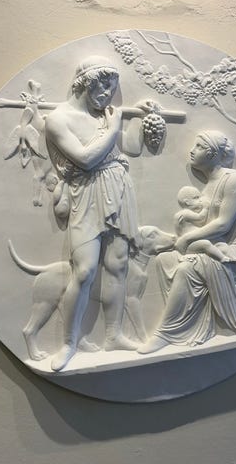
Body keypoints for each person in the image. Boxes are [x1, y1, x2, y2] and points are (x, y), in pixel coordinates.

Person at [138, 130, 236, 354]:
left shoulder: (235, 180)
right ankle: (188, 325)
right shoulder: (209, 185)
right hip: (222, 244)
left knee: (188, 268)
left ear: (212, 154)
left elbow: (223, 225)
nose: (192, 151)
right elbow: (205, 222)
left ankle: (167, 332)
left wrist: (188, 238)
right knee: (165, 259)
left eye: (199, 147)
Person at [45, 56, 139, 371]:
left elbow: (129, 149)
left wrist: (141, 120)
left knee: (118, 265)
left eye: (113, 89)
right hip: (85, 194)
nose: (108, 95)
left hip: (117, 187)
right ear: (86, 82)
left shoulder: (105, 115)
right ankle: (69, 343)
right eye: (103, 87)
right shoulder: (59, 119)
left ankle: (113, 335)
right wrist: (113, 128)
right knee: (84, 271)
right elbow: (85, 159)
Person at [175, 186, 236, 263]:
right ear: (187, 202)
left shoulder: (183, 214)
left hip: (192, 242)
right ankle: (222, 258)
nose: (200, 200)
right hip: (188, 245)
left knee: (219, 243)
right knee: (206, 244)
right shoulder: (185, 213)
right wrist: (206, 208)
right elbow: (200, 217)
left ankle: (230, 257)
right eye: (196, 198)